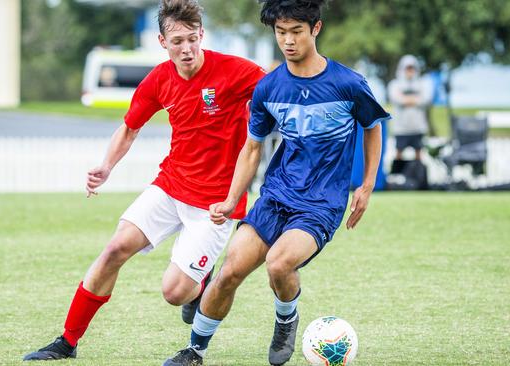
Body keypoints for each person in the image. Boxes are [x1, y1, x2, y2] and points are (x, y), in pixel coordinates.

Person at [23, 0, 265, 361]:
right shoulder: (159, 79)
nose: (186, 49)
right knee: (114, 249)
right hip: (170, 186)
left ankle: (198, 285)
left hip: (216, 203)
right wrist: (106, 166)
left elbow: (279, 91)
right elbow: (130, 127)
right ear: (162, 42)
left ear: (202, 35)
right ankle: (67, 342)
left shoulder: (236, 71)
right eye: (177, 41)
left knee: (174, 292)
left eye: (192, 39)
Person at [163, 0, 390, 365]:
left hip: (321, 203)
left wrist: (366, 186)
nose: (287, 41)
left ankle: (286, 319)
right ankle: (195, 350)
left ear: (316, 29)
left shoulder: (348, 83)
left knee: (279, 264)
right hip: (276, 195)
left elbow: (372, 127)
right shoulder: (269, 88)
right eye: (280, 32)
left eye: (296, 32)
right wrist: (230, 199)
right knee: (229, 272)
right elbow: (252, 148)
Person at [387, 54, 433, 161]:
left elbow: (426, 99)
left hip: (418, 127)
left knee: (419, 155)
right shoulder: (394, 84)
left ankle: (418, 177)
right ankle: (397, 176)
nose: (410, 71)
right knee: (398, 154)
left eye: (412, 68)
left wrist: (405, 98)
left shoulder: (423, 83)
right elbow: (396, 99)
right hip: (401, 128)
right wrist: (415, 98)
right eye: (407, 68)